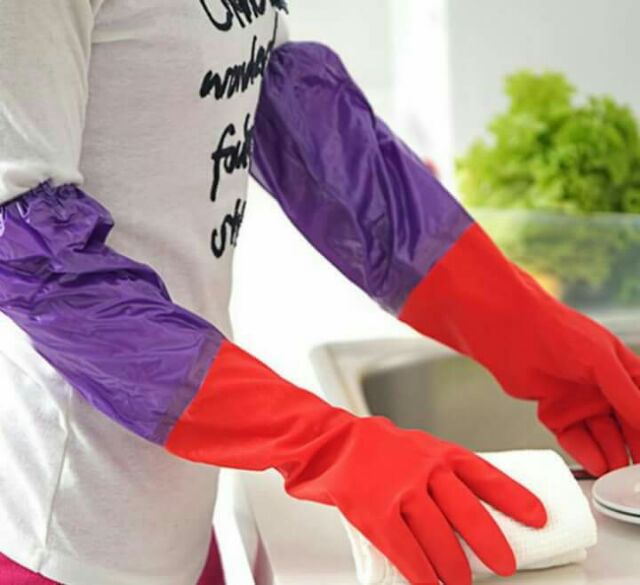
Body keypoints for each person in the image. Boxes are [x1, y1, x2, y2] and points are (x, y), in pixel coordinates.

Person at [1, 2, 638, 585]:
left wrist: (529, 332)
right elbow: (28, 258)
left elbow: (302, 130)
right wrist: (324, 445)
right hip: (61, 536)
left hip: (175, 516)